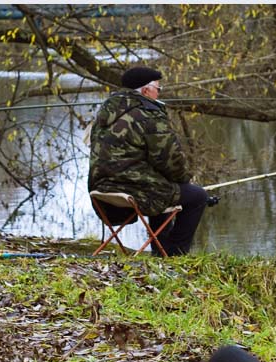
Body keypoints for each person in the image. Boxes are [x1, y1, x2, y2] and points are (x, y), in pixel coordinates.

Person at [88, 66, 208, 256]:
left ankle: (161, 251)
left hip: (101, 188)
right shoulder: (149, 113)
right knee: (197, 196)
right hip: (131, 189)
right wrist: (183, 179)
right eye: (158, 89)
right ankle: (174, 253)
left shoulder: (107, 110)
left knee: (163, 186)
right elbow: (170, 158)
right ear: (146, 90)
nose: (158, 93)